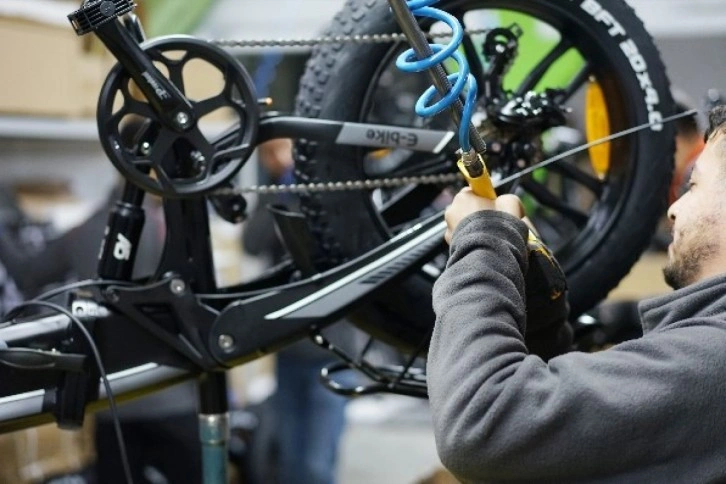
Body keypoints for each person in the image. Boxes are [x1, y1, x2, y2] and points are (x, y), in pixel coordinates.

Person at [426, 104, 726, 482]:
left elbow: (483, 424)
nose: (674, 208)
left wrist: (483, 240)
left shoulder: (714, 359)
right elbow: (551, 448)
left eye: (693, 185)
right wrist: (535, 292)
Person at [243, 139, 359, 484]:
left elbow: (337, 247)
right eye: (268, 153)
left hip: (332, 351)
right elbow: (251, 243)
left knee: (316, 466)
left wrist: (303, 189)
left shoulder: (328, 190)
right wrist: (277, 194)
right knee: (290, 462)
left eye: (283, 149)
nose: (277, 158)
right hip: (289, 348)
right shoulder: (274, 195)